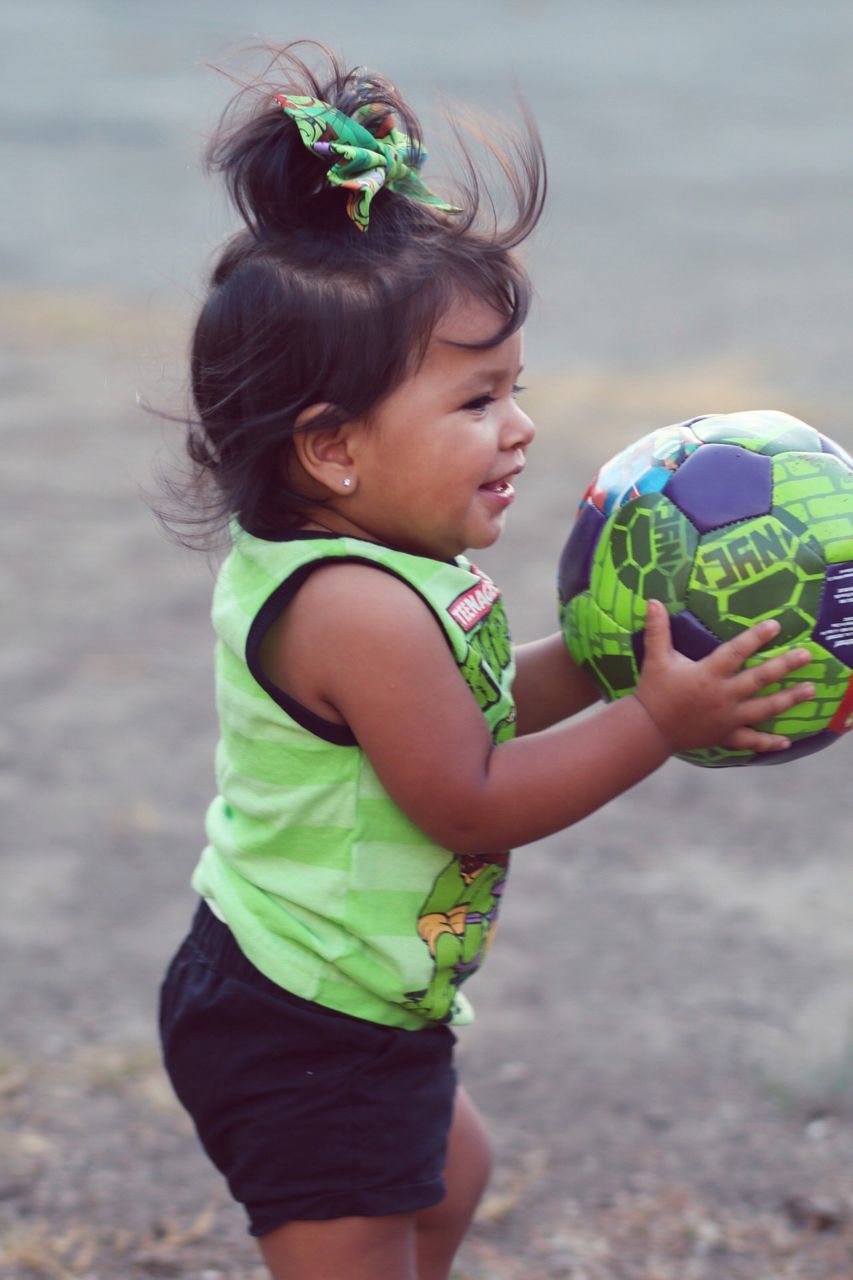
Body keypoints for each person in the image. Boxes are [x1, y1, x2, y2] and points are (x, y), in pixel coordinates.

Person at [157, 43, 815, 1280]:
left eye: (515, 389)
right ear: (333, 448)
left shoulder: (384, 564)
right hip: (301, 1022)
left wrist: (618, 650)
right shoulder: (351, 606)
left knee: (453, 1179)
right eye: (474, 402)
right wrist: (655, 722)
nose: (517, 427)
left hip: (357, 1002)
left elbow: (483, 700)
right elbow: (469, 793)